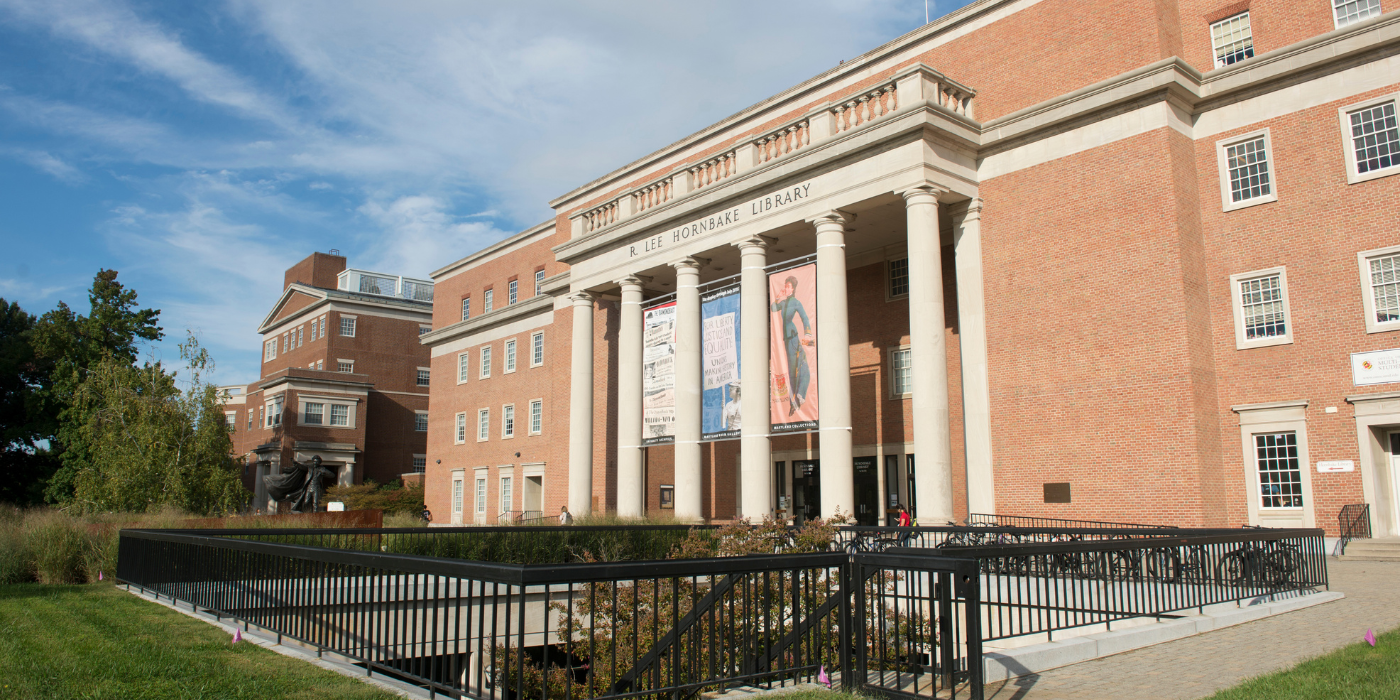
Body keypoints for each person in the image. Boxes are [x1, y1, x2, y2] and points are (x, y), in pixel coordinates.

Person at [771, 276, 813, 417]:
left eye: (788, 286)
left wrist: (807, 333)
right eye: (785, 285)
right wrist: (778, 298)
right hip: (787, 340)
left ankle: (797, 398)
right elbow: (773, 308)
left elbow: (805, 317)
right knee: (791, 371)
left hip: (793, 338)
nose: (786, 288)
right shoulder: (783, 303)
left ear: (793, 288)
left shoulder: (796, 302)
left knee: (797, 368)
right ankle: (793, 401)